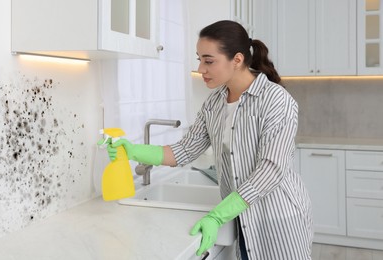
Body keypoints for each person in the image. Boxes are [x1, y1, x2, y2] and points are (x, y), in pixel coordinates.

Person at [104, 20, 313, 260]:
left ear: (237, 60)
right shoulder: (214, 103)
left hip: (278, 220)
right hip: (242, 219)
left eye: (209, 60)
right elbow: (185, 149)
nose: (201, 68)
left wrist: (218, 215)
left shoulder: (276, 100)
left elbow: (270, 170)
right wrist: (133, 151)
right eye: (199, 59)